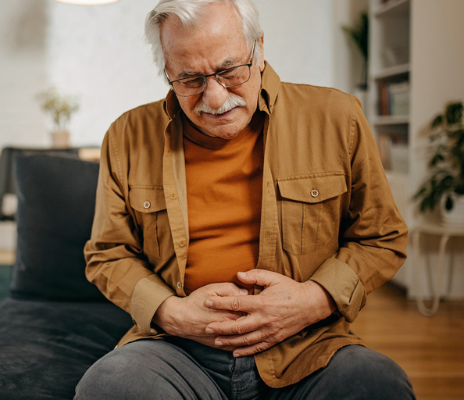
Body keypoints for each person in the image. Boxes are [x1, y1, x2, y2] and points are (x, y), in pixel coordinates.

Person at [76, 0, 414, 399]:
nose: (215, 99)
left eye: (229, 71)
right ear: (167, 72)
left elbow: (382, 237)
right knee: (110, 387)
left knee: (377, 384)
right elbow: (107, 253)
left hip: (307, 347)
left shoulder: (338, 118)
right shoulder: (127, 135)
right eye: (189, 79)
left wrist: (314, 300)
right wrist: (172, 312)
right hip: (176, 349)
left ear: (259, 48)